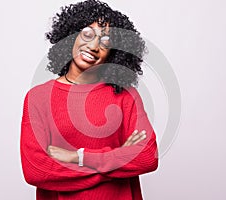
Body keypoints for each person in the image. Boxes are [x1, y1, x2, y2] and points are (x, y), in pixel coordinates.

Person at [20, 0, 158, 199]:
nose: (94, 46)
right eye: (87, 34)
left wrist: (79, 157)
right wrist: (116, 162)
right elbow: (37, 171)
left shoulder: (125, 95)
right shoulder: (38, 98)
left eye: (105, 42)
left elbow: (146, 157)